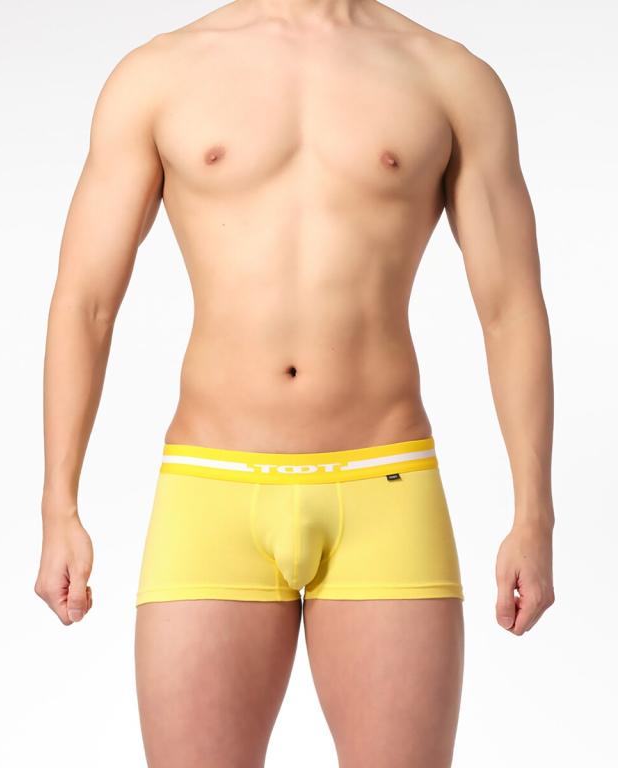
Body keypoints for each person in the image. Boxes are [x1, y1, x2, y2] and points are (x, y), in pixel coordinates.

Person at [34, 1, 555, 765]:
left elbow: (510, 307)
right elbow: (86, 302)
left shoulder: (448, 78)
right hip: (211, 489)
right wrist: (59, 506)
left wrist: (534, 516)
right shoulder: (159, 75)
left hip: (385, 488)